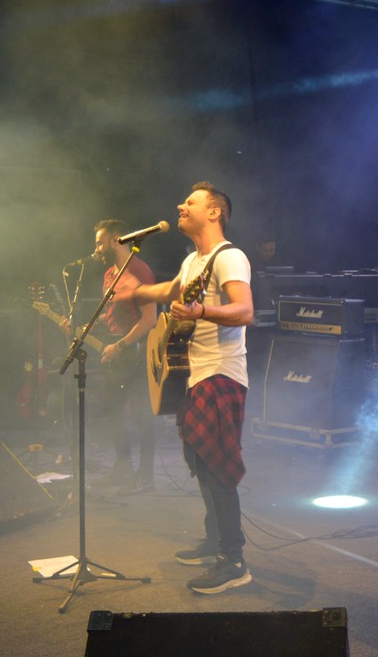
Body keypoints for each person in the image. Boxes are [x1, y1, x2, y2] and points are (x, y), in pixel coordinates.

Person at [124, 182, 255, 594]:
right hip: (197, 376)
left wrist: (203, 310)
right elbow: (170, 291)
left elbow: (245, 310)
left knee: (216, 467)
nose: (180, 205)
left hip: (222, 374)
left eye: (192, 202)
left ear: (214, 212)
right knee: (200, 461)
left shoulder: (229, 257)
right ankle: (215, 540)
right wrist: (134, 292)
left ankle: (233, 561)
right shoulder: (194, 262)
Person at [87, 219, 158, 493]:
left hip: (138, 352)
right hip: (118, 353)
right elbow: (111, 317)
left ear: (116, 239)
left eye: (99, 242)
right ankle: (123, 467)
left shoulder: (139, 270)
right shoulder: (109, 274)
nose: (96, 248)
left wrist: (122, 345)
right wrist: (85, 328)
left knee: (141, 413)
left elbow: (150, 318)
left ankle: (146, 476)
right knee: (110, 408)